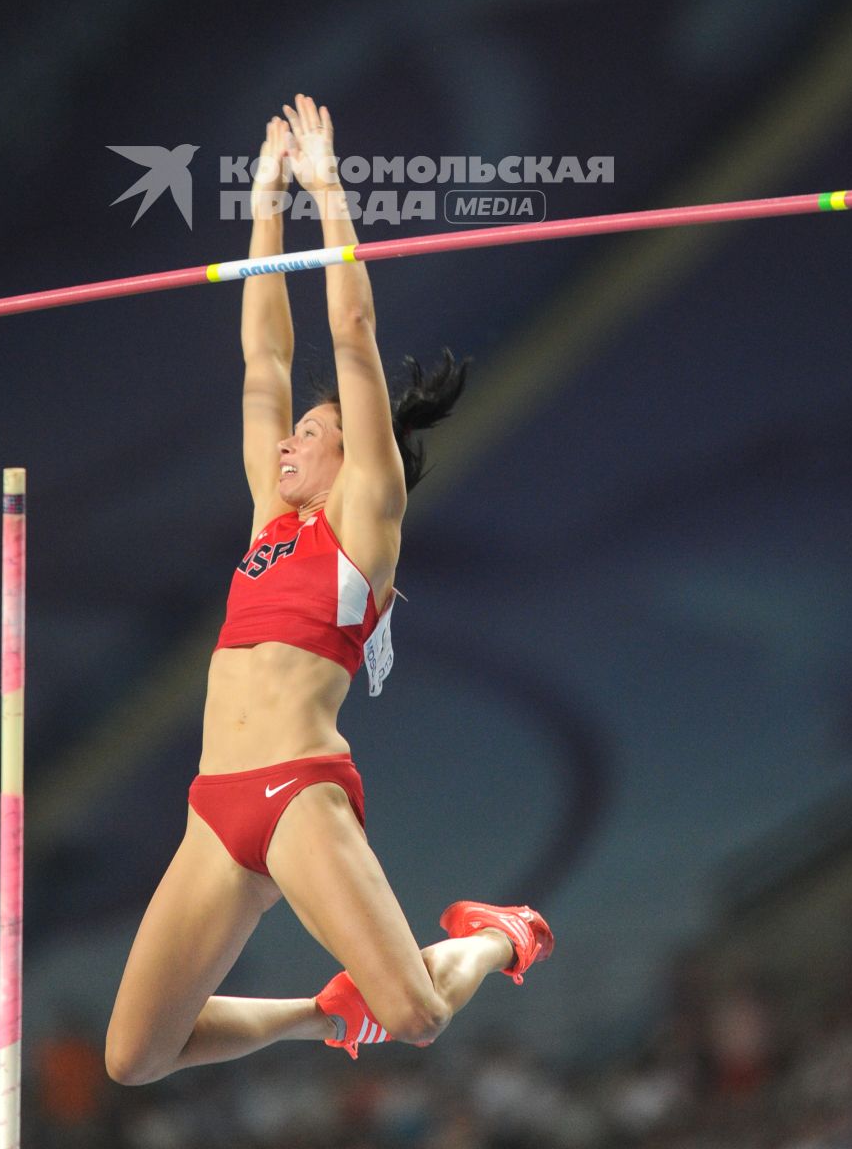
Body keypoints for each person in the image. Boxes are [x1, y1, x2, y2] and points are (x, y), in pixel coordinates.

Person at [105, 95, 553, 1083]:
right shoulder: (272, 518)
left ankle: (501, 936)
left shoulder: (364, 523)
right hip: (214, 809)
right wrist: (263, 204)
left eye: (312, 433)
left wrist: (325, 191)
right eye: (293, 433)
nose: (288, 441)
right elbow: (262, 357)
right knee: (136, 1056)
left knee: (418, 1015)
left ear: (358, 456)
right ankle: (322, 1016)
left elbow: (348, 330)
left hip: (300, 792)